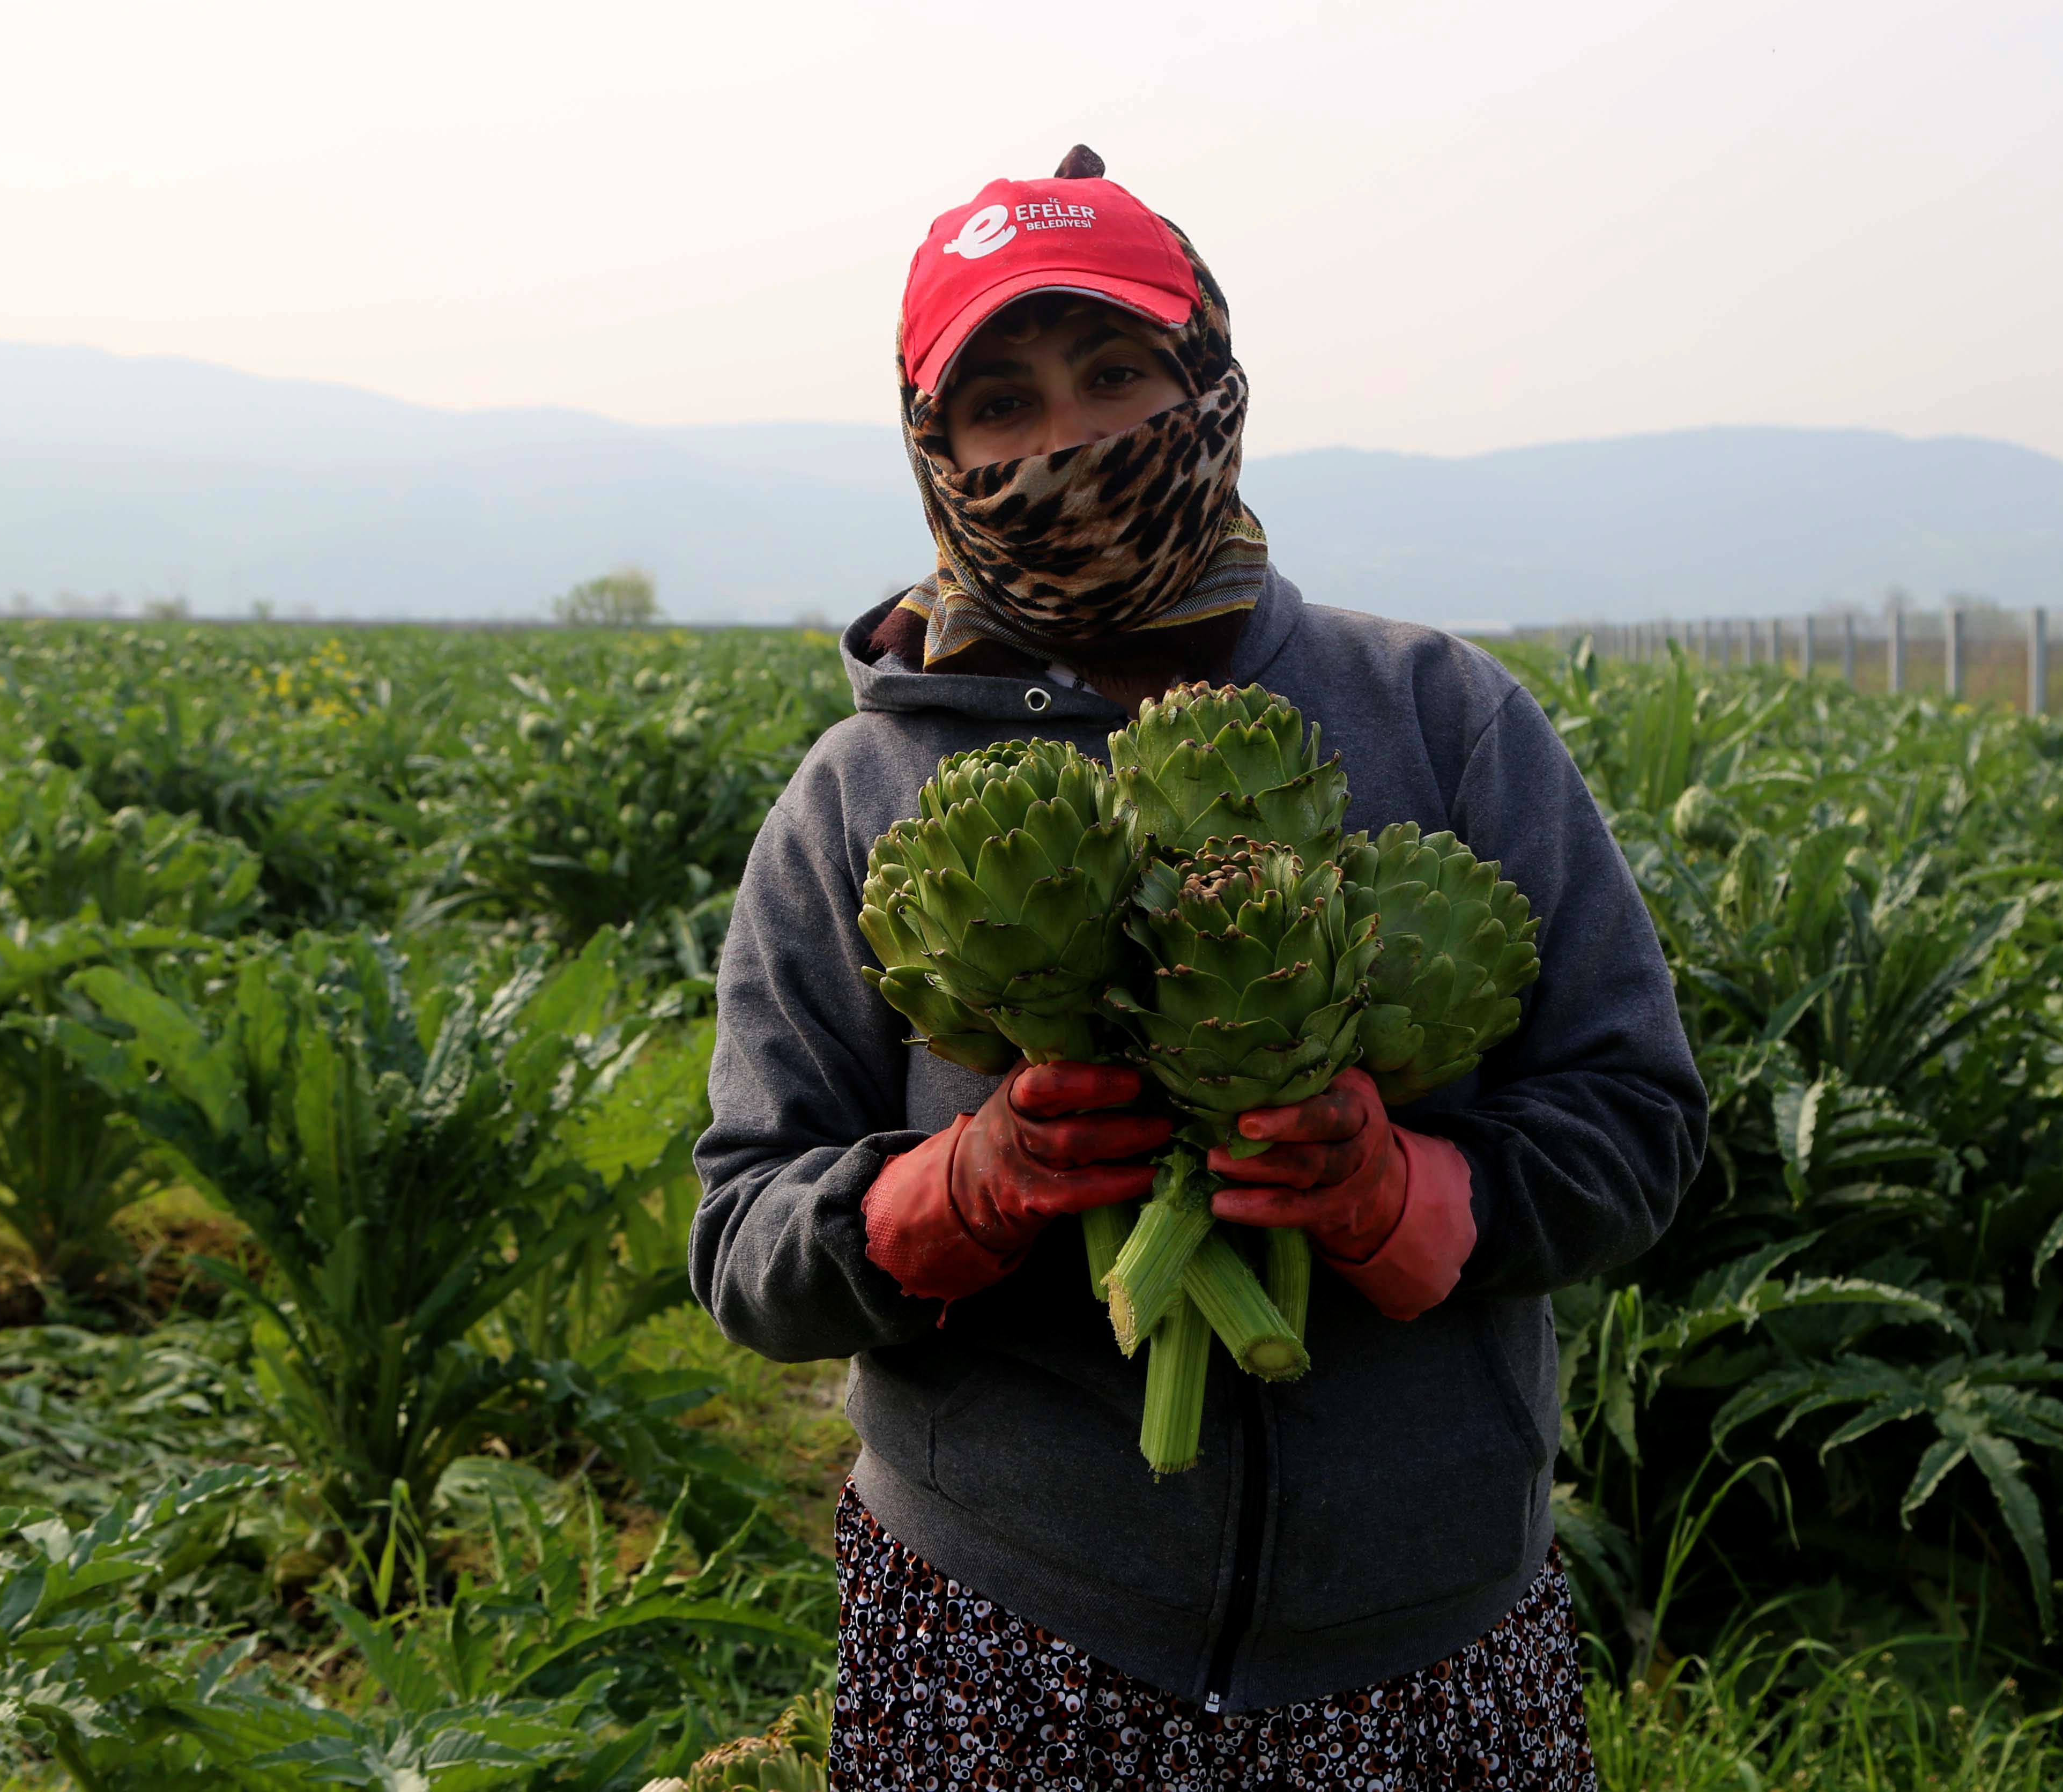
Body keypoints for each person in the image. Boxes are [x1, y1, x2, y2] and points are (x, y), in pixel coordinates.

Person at [691, 145, 1706, 1791]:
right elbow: (743, 1241)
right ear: (930, 447)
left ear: (1211, 381)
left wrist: (1408, 1192)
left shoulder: (1438, 721)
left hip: (1428, 1634)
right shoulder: (859, 802)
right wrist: (962, 1190)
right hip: (1002, 1632)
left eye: (1114, 373)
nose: (1070, 440)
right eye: (1001, 402)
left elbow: (1640, 1128)